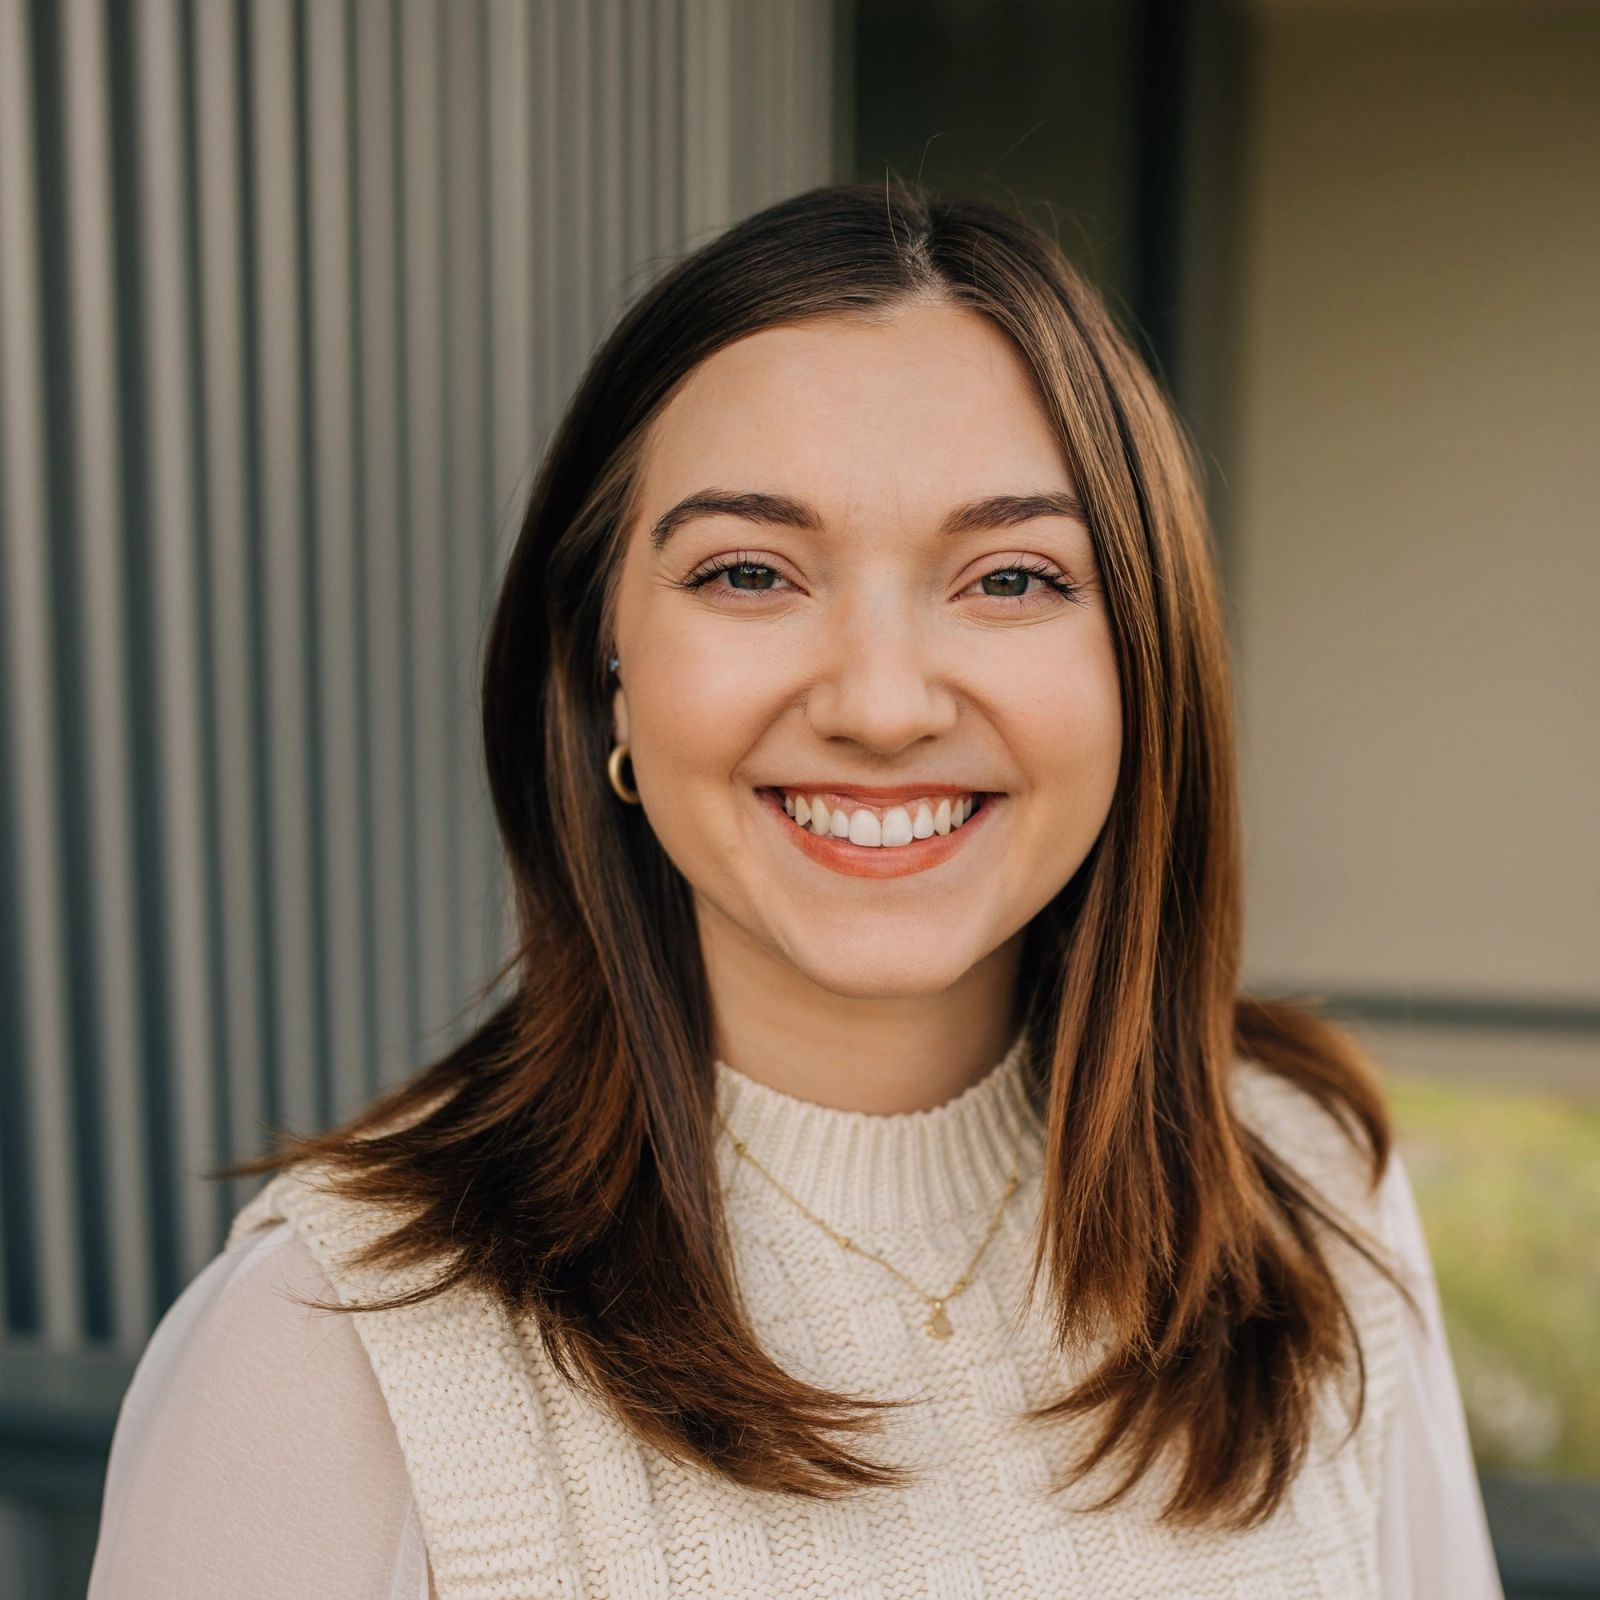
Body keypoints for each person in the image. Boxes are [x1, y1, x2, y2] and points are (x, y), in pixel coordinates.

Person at [87, 180, 1504, 1599]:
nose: (881, 706)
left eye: (1011, 579)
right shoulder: (327, 1343)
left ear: (1143, 664)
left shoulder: (1307, 1188)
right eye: (751, 570)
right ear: (605, 673)